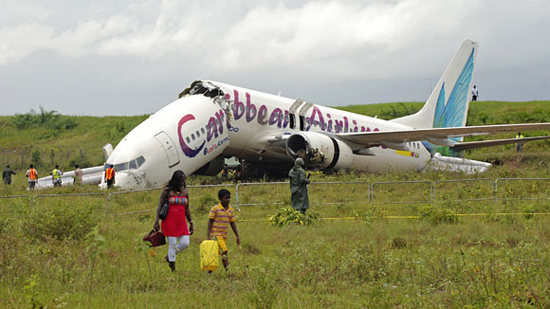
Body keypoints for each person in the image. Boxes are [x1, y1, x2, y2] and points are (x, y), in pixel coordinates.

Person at [154, 170, 194, 272]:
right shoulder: (167, 191)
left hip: (181, 222)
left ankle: (169, 256)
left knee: (185, 243)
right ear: (175, 180)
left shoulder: (185, 192)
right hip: (169, 221)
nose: (182, 182)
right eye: (180, 180)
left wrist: (191, 222)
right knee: (172, 243)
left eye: (183, 180)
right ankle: (173, 267)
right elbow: (159, 207)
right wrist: (156, 221)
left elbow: (187, 209)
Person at [207, 189, 240, 273]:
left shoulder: (231, 210)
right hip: (215, 234)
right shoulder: (215, 208)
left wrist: (237, 236)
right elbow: (210, 221)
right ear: (220, 199)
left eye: (229, 198)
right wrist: (208, 235)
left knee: (216, 254)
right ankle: (228, 272)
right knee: (224, 251)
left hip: (224, 236)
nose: (228, 200)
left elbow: (232, 223)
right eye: (226, 198)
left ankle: (209, 272)